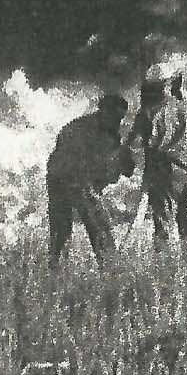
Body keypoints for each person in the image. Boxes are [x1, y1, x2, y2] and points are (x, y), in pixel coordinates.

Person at [47, 94, 134, 269]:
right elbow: (85, 167)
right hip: (67, 179)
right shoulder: (82, 131)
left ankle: (57, 267)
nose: (117, 122)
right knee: (95, 227)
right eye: (115, 117)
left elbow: (121, 168)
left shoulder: (105, 131)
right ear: (104, 111)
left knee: (65, 231)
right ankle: (109, 269)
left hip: (65, 178)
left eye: (120, 118)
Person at [132, 66, 187, 251]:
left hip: (162, 171)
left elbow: (141, 141)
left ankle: (163, 263)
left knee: (162, 222)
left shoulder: (150, 112)